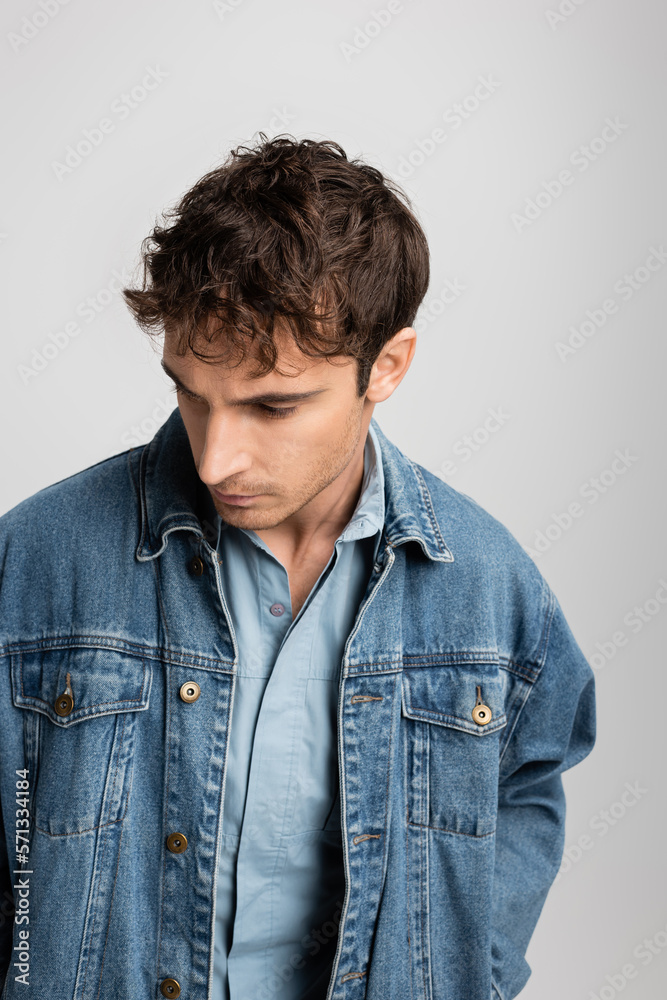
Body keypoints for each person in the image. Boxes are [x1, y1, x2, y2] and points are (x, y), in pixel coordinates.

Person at [0, 134, 596, 1000]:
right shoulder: (38, 560)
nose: (214, 460)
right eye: (190, 395)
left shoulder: (489, 588)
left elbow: (527, 787)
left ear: (384, 367)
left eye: (272, 405)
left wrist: (475, 972)